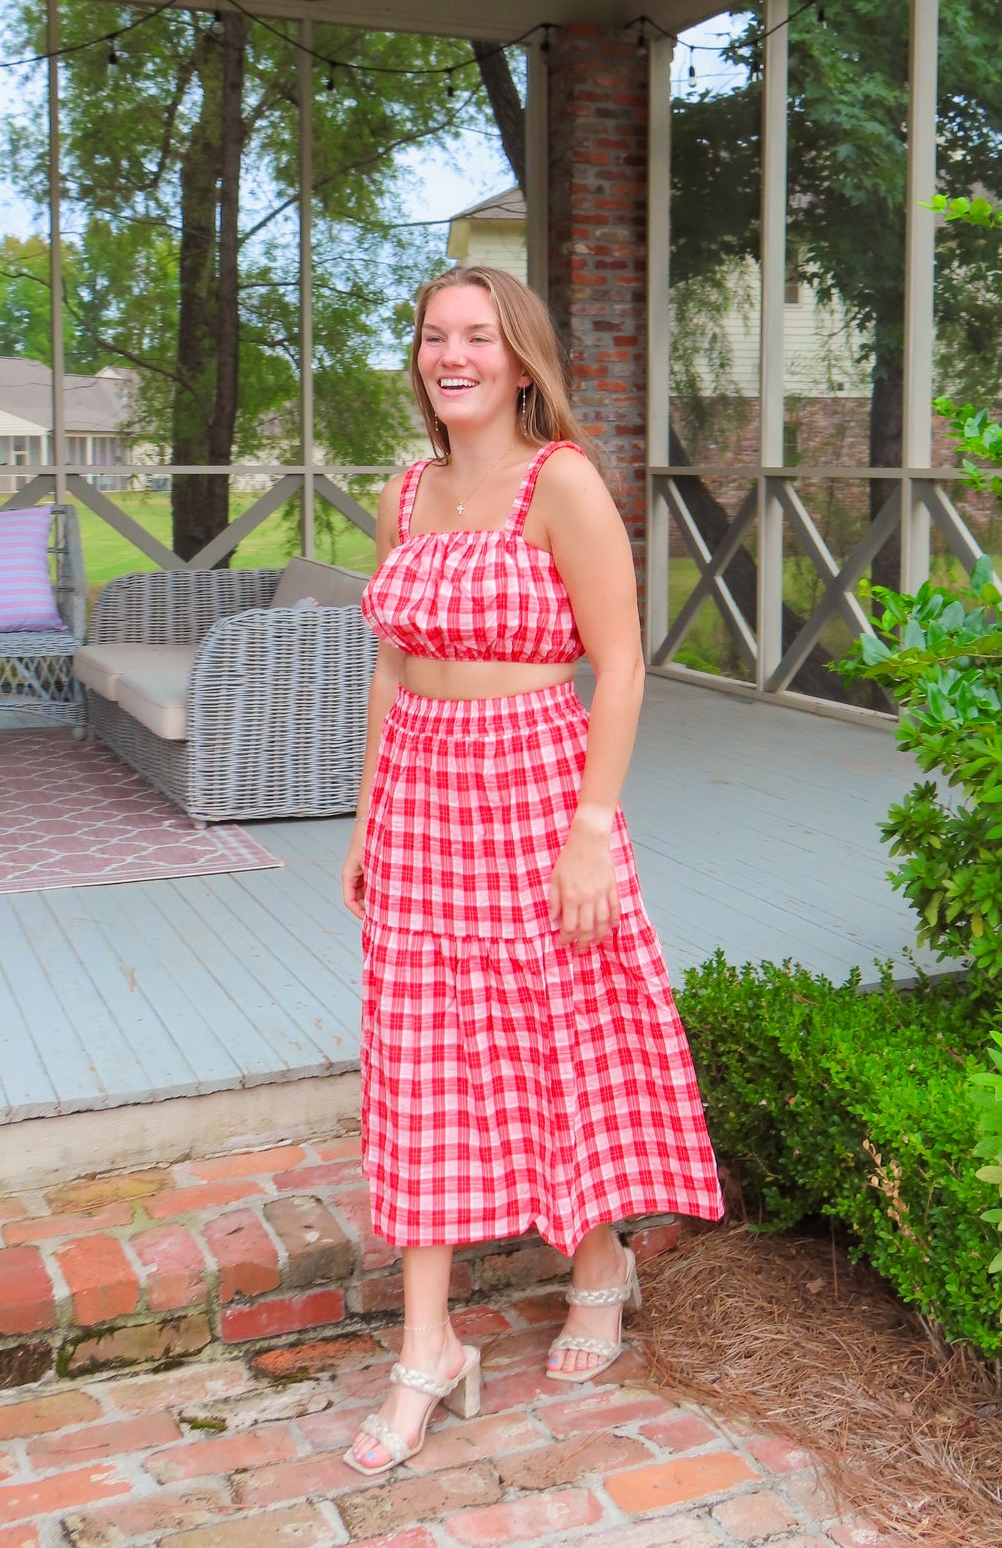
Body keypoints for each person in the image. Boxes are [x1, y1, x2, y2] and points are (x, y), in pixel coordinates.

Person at [339, 264, 723, 1478]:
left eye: (475, 337)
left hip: (535, 783)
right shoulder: (406, 490)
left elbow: (619, 663)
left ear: (518, 359)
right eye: (431, 337)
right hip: (420, 792)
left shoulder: (557, 481)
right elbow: (392, 668)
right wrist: (362, 820)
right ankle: (426, 1347)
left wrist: (591, 826)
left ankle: (600, 1258)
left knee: (559, 1025)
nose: (449, 355)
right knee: (415, 1054)